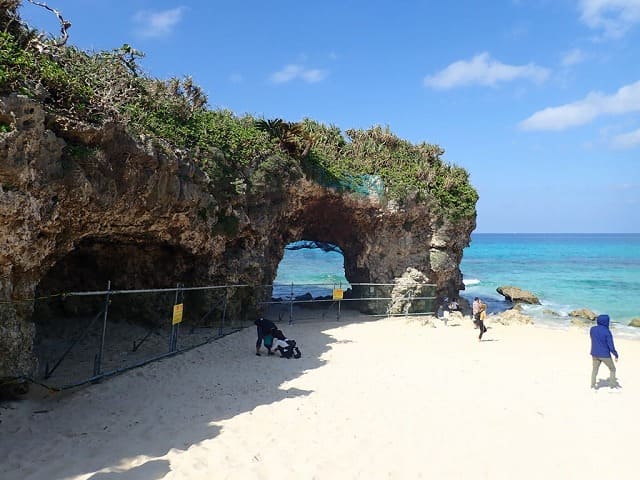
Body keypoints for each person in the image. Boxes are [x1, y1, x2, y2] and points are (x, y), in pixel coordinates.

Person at [590, 314, 619, 389]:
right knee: (612, 369)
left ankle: (592, 386)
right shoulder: (607, 332)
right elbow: (611, 346)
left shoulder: (592, 329)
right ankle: (612, 386)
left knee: (594, 370)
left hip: (594, 353)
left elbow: (592, 338)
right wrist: (616, 355)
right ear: (606, 322)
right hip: (605, 355)